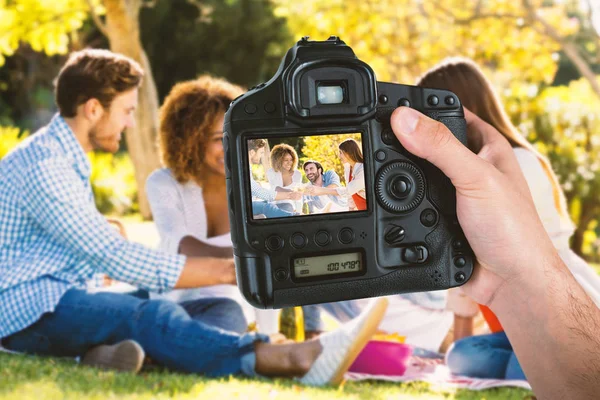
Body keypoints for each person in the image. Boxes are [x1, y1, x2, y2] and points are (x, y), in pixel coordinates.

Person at [0, 48, 393, 385]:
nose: (130, 123)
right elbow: (115, 258)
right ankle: (291, 359)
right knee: (151, 314)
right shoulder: (47, 164)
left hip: (61, 298)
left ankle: (104, 355)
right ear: (92, 109)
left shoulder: (61, 157)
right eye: (127, 111)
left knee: (201, 310)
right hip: (30, 310)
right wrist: (230, 271)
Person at [390, 104, 600, 398]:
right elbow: (465, 318)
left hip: (575, 309)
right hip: (511, 325)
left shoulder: (515, 165)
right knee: (463, 356)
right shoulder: (462, 217)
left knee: (520, 369)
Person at [145, 76, 251, 333]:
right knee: (123, 306)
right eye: (218, 138)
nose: (230, 146)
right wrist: (252, 258)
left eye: (236, 133)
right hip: (176, 302)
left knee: (228, 315)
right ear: (190, 139)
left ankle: (154, 346)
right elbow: (179, 243)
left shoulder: (256, 186)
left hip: (229, 308)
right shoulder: (164, 183)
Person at [248, 139, 301, 218]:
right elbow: (261, 192)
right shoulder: (244, 167)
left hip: (251, 202)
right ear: (252, 153)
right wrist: (290, 195)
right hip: (245, 205)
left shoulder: (248, 167)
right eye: (261, 152)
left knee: (284, 205)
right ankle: (296, 217)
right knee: (268, 207)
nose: (261, 156)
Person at [266, 143, 303, 213]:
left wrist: (299, 212)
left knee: (288, 206)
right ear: (278, 160)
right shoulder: (271, 172)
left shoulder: (297, 174)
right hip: (274, 205)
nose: (289, 163)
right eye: (286, 160)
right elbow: (275, 188)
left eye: (291, 160)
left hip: (291, 207)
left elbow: (299, 197)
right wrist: (292, 192)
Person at [338, 139, 366, 211]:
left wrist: (323, 191)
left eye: (341, 152)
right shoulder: (348, 168)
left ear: (349, 153)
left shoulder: (362, 169)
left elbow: (348, 190)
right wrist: (351, 209)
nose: (339, 156)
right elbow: (351, 194)